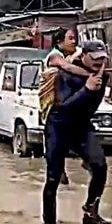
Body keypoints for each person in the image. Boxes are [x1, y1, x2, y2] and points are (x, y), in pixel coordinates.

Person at [43, 40, 111, 224]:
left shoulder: (101, 75)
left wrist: (91, 87)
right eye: (95, 59)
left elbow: (91, 106)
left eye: (102, 59)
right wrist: (86, 89)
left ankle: (91, 211)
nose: (99, 62)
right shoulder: (66, 75)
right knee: (53, 176)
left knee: (100, 165)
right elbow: (64, 107)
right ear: (83, 57)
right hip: (58, 124)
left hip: (81, 125)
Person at [40, 28, 93, 185]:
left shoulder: (72, 56)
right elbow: (67, 67)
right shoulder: (55, 56)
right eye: (70, 38)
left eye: (74, 38)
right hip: (53, 105)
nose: (74, 41)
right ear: (59, 42)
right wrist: (90, 75)